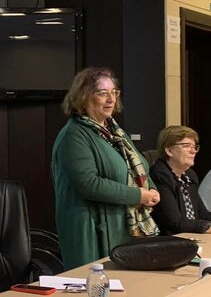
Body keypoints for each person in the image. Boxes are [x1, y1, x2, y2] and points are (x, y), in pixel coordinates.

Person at [51, 68, 160, 269]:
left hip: (120, 224)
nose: (111, 99)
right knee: (95, 283)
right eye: (102, 93)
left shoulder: (114, 132)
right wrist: (138, 195)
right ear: (83, 97)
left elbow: (137, 165)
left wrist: (151, 188)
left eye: (114, 92)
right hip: (90, 227)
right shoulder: (74, 135)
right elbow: (88, 184)